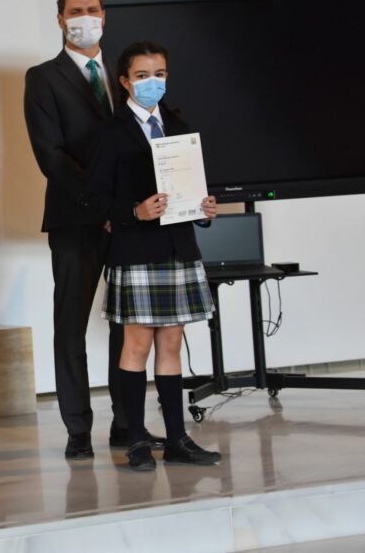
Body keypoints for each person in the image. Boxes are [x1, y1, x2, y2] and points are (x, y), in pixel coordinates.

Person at [23, 0, 162, 459]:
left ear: (104, 16)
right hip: (75, 218)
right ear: (60, 19)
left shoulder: (126, 72)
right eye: (76, 10)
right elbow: (52, 156)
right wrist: (99, 205)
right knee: (71, 325)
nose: (86, 17)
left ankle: (127, 423)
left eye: (94, 9)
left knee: (129, 323)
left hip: (130, 220)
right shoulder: (42, 78)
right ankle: (78, 428)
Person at [86, 41, 221, 471]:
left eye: (159, 73)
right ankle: (137, 439)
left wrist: (205, 209)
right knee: (136, 345)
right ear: (124, 81)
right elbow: (94, 199)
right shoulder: (108, 132)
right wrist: (133, 212)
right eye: (142, 76)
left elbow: (195, 187)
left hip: (179, 247)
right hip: (136, 249)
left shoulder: (180, 127)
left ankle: (178, 438)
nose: (152, 82)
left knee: (171, 344)